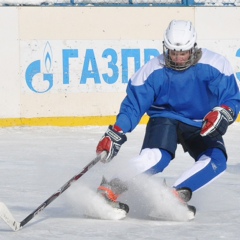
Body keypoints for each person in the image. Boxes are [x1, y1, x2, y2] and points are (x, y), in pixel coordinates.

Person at [95, 20, 240, 219]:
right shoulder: (153, 70)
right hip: (165, 118)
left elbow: (231, 98)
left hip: (202, 122)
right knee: (157, 157)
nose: (178, 58)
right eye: (173, 53)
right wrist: (116, 132)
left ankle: (174, 195)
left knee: (217, 160)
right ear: (166, 48)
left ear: (193, 48)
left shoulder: (216, 64)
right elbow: (134, 105)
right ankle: (110, 189)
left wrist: (223, 113)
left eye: (183, 53)